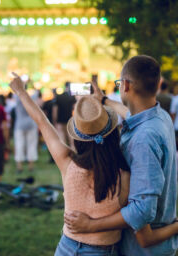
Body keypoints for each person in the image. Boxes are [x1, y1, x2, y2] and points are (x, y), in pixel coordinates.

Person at [10, 72, 178, 256]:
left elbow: (42, 122)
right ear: (114, 134)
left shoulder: (67, 162)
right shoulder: (124, 176)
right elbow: (138, 220)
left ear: (79, 139)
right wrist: (104, 101)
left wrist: (21, 92)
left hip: (66, 247)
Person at [64, 55, 178, 255]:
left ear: (125, 85)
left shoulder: (144, 139)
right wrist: (104, 100)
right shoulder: (160, 116)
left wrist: (91, 225)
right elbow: (130, 115)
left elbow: (142, 211)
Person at [13, 89, 39, 173]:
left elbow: (14, 91)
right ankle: (31, 166)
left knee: (19, 145)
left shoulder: (17, 98)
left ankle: (19, 166)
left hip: (19, 125)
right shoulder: (31, 98)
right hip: (31, 124)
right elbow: (36, 92)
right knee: (31, 145)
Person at [53, 82, 76, 147]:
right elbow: (74, 109)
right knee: (71, 139)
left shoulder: (59, 97)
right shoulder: (71, 97)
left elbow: (55, 110)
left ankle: (65, 154)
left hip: (60, 120)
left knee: (62, 139)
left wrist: (55, 121)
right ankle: (73, 154)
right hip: (69, 119)